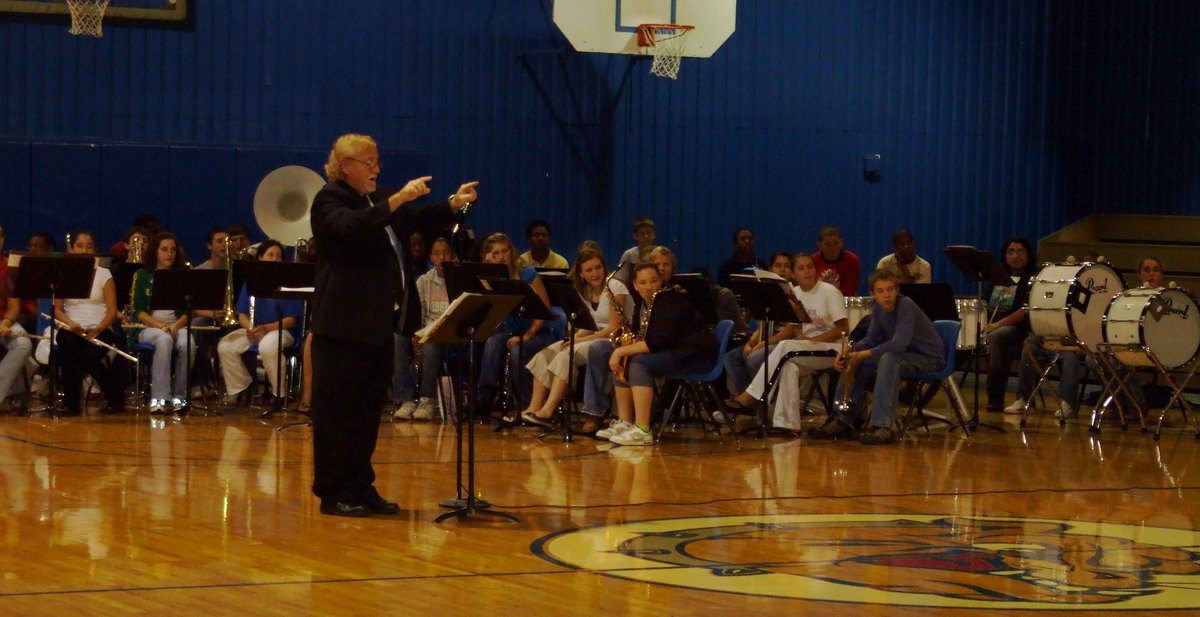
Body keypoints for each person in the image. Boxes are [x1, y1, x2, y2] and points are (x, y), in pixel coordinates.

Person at [309, 132, 478, 518]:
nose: (376, 169)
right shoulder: (329, 199)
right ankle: (334, 493)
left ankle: (361, 486)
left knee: (368, 412)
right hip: (341, 328)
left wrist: (453, 203)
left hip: (376, 326)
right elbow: (353, 227)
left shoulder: (376, 197)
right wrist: (398, 198)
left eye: (377, 162)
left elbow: (418, 218)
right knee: (337, 414)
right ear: (346, 165)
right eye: (369, 163)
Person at [808, 269, 944, 445]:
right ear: (873, 294)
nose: (886, 295)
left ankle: (883, 426)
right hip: (904, 356)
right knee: (859, 361)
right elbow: (871, 339)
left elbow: (899, 343)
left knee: (889, 359)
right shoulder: (879, 309)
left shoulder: (906, 305)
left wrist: (862, 354)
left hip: (929, 358)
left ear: (897, 290)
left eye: (890, 289)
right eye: (880, 291)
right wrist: (849, 352)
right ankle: (843, 420)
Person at [723, 253, 848, 429]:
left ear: (816, 270)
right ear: (794, 274)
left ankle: (750, 397)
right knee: (789, 366)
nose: (807, 272)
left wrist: (813, 340)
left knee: (785, 346)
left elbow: (843, 329)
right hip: (806, 348)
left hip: (832, 349)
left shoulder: (829, 292)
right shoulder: (794, 294)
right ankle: (786, 424)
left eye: (810, 267)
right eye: (801, 268)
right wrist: (804, 339)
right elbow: (796, 326)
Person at [602, 263, 718, 446]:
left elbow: (659, 342)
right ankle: (625, 422)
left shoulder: (669, 300)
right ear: (635, 285)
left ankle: (643, 429)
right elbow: (642, 335)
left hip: (695, 357)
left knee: (639, 362)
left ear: (661, 281)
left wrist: (621, 351)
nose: (649, 286)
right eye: (643, 282)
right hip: (676, 353)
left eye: (654, 281)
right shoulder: (643, 304)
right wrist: (624, 348)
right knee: (625, 358)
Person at [519, 243, 615, 431]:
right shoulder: (584, 291)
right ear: (581, 273)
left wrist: (579, 340)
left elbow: (613, 329)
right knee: (546, 353)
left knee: (565, 355)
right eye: (589, 270)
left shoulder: (613, 287)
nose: (595, 273)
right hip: (592, 337)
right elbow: (589, 325)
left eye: (598, 268)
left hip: (608, 340)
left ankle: (548, 411)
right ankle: (534, 407)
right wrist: (575, 336)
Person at [475, 232, 558, 414]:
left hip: (539, 332)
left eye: (504, 251)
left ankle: (527, 404)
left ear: (511, 252)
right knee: (491, 343)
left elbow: (545, 309)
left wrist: (528, 335)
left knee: (517, 350)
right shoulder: (492, 276)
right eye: (495, 253)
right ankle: (483, 400)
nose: (501, 257)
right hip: (512, 331)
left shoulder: (527, 273)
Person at [216, 240, 303, 403]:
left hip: (281, 331)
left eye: (278, 256)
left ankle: (279, 394)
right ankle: (240, 386)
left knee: (268, 346)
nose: (275, 259)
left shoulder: (288, 282)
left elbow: (291, 320)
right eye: (270, 255)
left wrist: (268, 328)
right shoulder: (251, 281)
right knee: (225, 345)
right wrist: (249, 327)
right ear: (261, 257)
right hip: (256, 330)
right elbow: (242, 313)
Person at [53, 230, 126, 415]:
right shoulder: (64, 272)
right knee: (68, 343)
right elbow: (57, 310)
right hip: (72, 328)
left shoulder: (104, 274)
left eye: (89, 246)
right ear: (71, 249)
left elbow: (112, 312)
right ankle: (71, 404)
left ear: (95, 250)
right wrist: (71, 323)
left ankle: (114, 398)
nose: (84, 250)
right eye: (80, 246)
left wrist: (99, 328)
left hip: (100, 328)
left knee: (87, 356)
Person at [128, 231, 193, 413]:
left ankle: (180, 397)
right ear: (155, 251)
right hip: (148, 327)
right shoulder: (141, 275)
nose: (169, 254)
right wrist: (161, 327)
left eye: (172, 250)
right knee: (164, 340)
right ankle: (159, 398)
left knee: (189, 342)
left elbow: (187, 312)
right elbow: (138, 310)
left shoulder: (181, 275)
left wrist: (175, 326)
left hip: (175, 325)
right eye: (164, 249)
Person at [394, 236, 455, 421]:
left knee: (431, 343)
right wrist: (415, 335)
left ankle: (427, 400)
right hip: (426, 331)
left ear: (452, 255)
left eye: (446, 253)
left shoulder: (460, 279)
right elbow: (416, 314)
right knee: (397, 339)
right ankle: (405, 399)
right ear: (431, 257)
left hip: (450, 334)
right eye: (437, 253)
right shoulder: (423, 281)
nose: (442, 257)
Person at [984, 236, 1036, 412]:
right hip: (993, 327)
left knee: (998, 335)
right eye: (1011, 252)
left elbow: (1025, 310)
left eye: (1020, 251)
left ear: (1028, 255)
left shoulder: (1032, 280)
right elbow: (986, 305)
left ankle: (995, 396)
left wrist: (998, 325)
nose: (1016, 256)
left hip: (1021, 330)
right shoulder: (998, 278)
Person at [0, 223, 32, 413]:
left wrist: (6, 322)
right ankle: (18, 388)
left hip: (2, 321)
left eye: (1, 235)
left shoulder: (9, 267)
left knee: (23, 342)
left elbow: (14, 307)